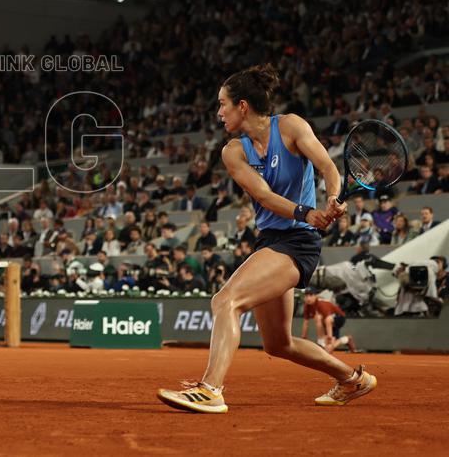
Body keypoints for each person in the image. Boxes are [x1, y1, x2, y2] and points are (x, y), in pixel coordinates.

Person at [158, 64, 375, 414]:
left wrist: (333, 198)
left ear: (242, 106)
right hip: (274, 239)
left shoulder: (290, 127)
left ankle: (210, 389)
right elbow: (264, 196)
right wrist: (307, 212)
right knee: (278, 343)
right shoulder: (233, 151)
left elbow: (328, 168)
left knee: (225, 301)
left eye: (223, 104)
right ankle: (353, 379)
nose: (219, 112)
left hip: (298, 242)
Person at [301, 288, 358, 354]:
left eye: (311, 295)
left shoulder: (321, 304)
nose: (308, 298)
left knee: (319, 318)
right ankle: (347, 339)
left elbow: (328, 320)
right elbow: (306, 322)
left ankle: (322, 342)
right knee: (329, 349)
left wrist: (329, 338)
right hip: (326, 322)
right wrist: (303, 338)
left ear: (316, 295)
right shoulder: (307, 306)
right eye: (306, 296)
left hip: (339, 318)